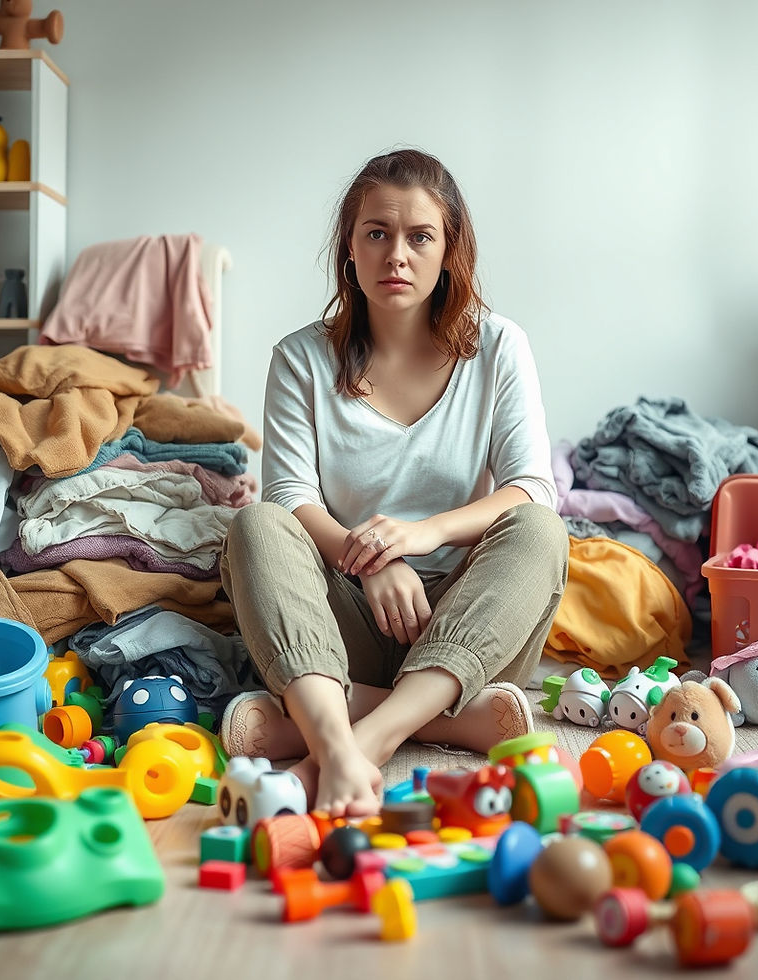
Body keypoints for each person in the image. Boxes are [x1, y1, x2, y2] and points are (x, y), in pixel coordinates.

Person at [218, 148, 568, 818]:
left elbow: (530, 486)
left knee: (541, 531)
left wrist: (418, 535)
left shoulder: (499, 347)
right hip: (342, 617)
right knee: (255, 525)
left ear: (450, 250)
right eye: (376, 233)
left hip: (463, 629)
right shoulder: (300, 358)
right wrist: (370, 558)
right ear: (349, 248)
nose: (396, 255)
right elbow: (291, 499)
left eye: (419, 236)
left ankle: (356, 739)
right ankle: (450, 724)